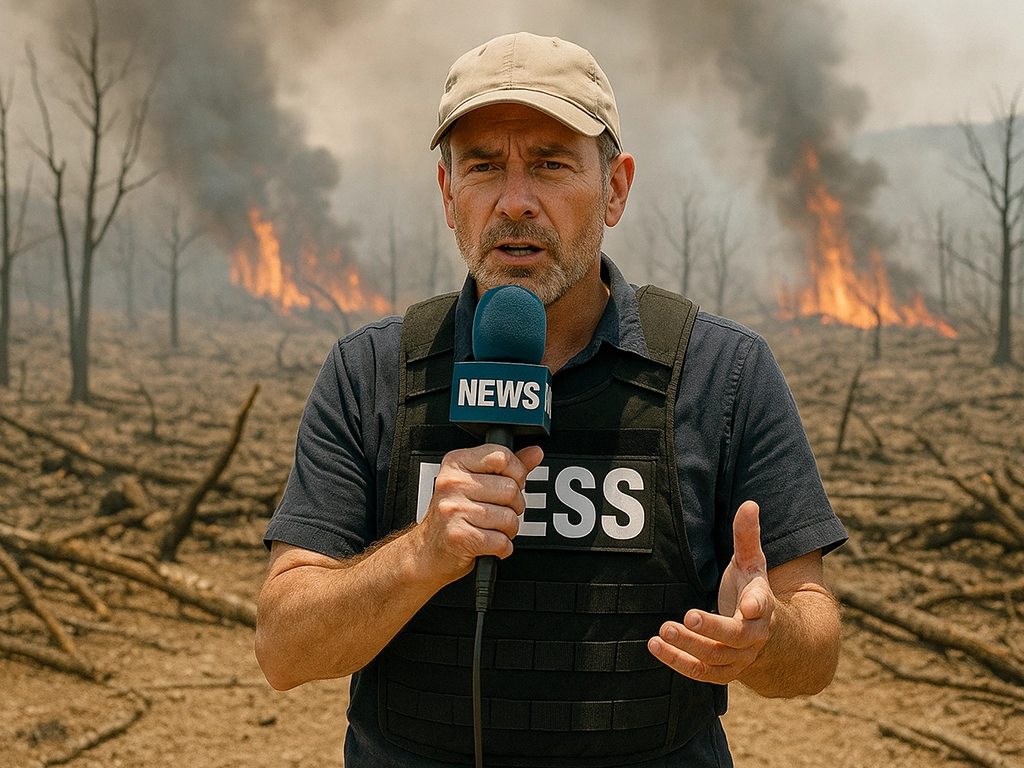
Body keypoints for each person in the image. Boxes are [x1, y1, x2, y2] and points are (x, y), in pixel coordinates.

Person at [255, 32, 847, 767]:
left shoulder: (721, 372)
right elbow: (283, 648)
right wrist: (420, 555)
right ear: (448, 195)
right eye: (482, 168)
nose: (515, 202)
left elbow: (815, 647)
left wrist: (767, 634)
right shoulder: (372, 373)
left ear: (616, 189)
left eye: (550, 164)